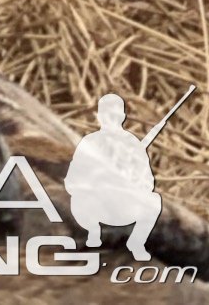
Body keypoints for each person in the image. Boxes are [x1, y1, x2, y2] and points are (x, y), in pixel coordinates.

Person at [67, 95, 164, 259]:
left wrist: (133, 181)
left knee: (154, 202)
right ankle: (93, 235)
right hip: (95, 202)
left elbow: (148, 181)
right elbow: (72, 180)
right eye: (107, 114)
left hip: (123, 204)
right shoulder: (89, 142)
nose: (112, 119)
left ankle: (136, 243)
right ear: (99, 116)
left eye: (116, 115)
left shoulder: (132, 144)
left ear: (123, 116)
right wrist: (96, 181)